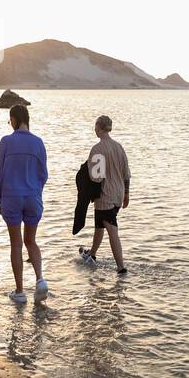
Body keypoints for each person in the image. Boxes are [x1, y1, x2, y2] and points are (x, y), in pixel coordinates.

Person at [0, 103, 49, 303]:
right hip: (33, 197)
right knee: (30, 240)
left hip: (11, 197)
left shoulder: (6, 142)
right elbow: (44, 174)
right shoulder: (38, 142)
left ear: (14, 120)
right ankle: (40, 280)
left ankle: (19, 292)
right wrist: (36, 192)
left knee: (16, 244)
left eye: (10, 120)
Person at [79, 114, 130, 274]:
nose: (94, 129)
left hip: (105, 194)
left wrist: (85, 169)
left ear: (100, 128)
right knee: (99, 224)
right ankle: (92, 254)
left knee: (111, 228)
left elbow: (96, 177)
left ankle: (121, 267)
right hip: (118, 193)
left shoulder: (98, 149)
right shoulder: (119, 147)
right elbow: (126, 173)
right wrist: (127, 194)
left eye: (95, 126)